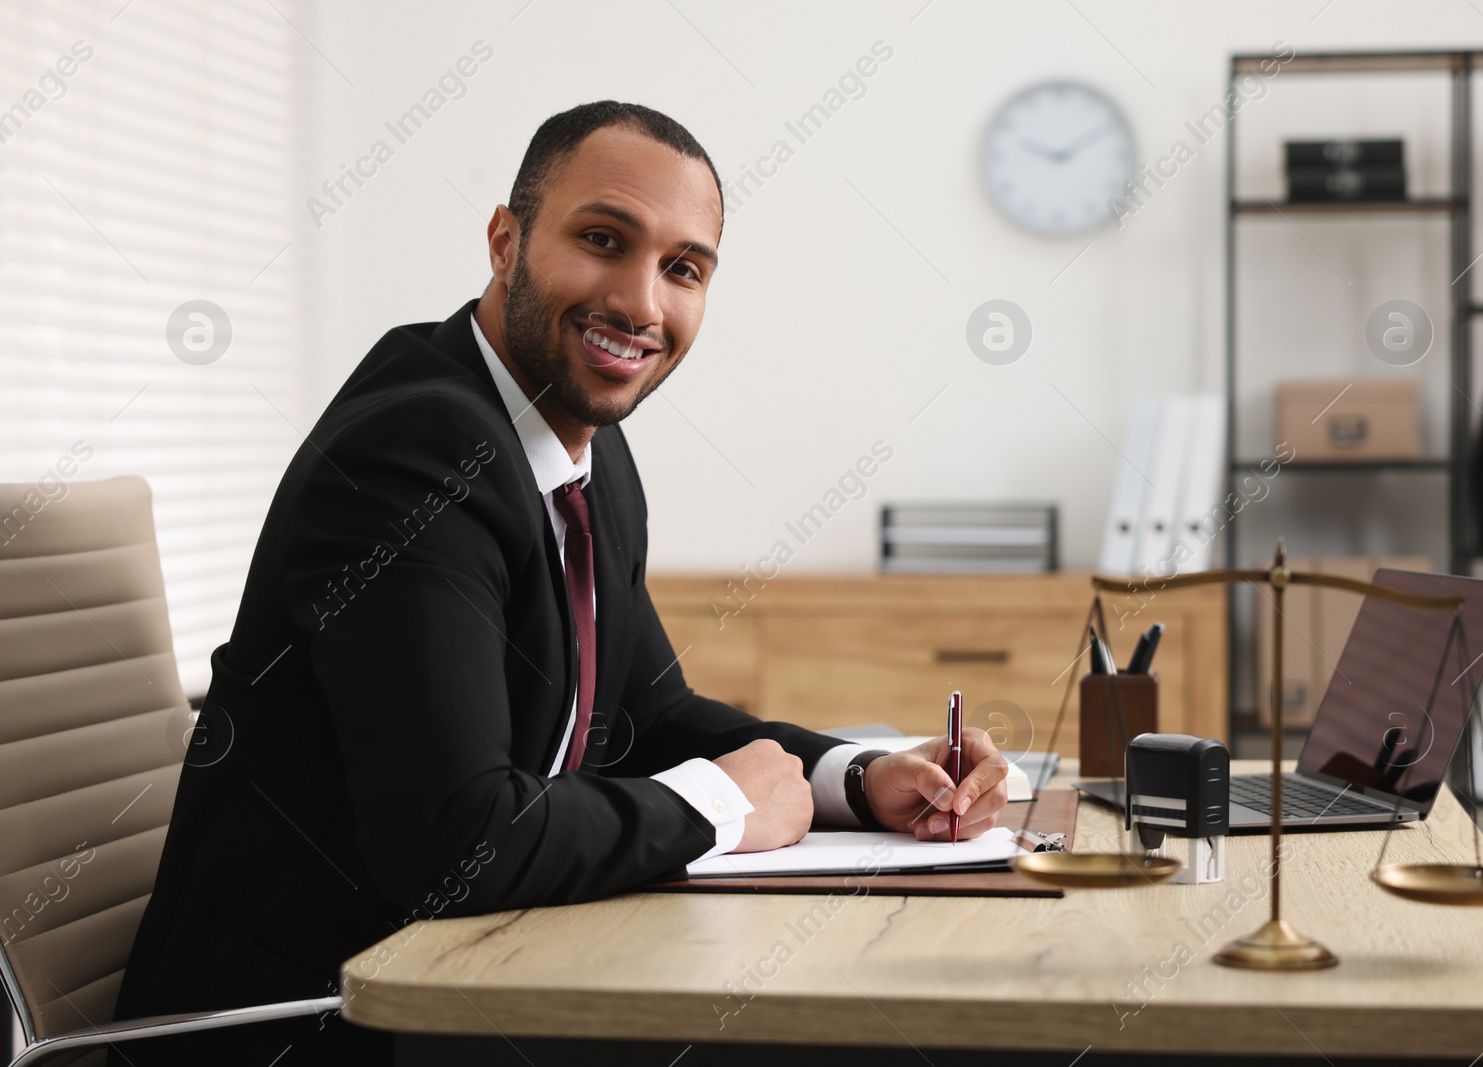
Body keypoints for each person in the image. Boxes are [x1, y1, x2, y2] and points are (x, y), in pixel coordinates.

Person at [113, 101, 1009, 1066]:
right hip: (310, 1018)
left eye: (683, 268)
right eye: (601, 240)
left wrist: (858, 779)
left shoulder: (586, 453)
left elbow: (648, 717)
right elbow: (454, 841)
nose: (640, 303)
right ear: (505, 241)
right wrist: (723, 805)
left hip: (473, 974)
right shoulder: (415, 452)